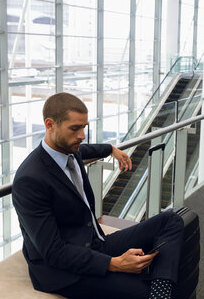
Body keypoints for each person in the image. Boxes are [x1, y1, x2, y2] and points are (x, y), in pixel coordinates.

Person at [12, 92, 185, 299]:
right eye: (75, 128)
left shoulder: (70, 150)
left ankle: (161, 293)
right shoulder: (30, 180)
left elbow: (86, 150)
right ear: (50, 125)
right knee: (142, 290)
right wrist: (115, 264)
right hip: (63, 271)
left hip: (95, 243)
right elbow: (54, 253)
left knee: (171, 220)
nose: (82, 135)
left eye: (84, 127)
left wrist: (111, 149)